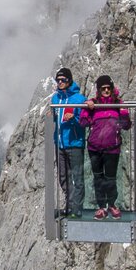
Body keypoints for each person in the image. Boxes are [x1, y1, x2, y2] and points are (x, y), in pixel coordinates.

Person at [80, 74, 131, 220]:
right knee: (98, 178)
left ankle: (112, 205)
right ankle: (101, 207)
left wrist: (124, 113)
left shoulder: (118, 103)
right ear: (99, 89)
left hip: (112, 148)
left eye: (109, 88)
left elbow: (126, 126)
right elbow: (83, 122)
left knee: (110, 178)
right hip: (94, 148)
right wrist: (86, 107)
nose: (106, 91)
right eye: (103, 88)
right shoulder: (94, 104)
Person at [51, 67, 86, 218]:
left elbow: (84, 122)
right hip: (60, 144)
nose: (60, 82)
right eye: (58, 80)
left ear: (69, 80)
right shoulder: (55, 99)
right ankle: (70, 205)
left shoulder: (79, 99)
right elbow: (54, 118)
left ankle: (77, 208)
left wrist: (73, 119)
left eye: (63, 80)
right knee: (63, 177)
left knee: (77, 176)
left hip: (75, 142)